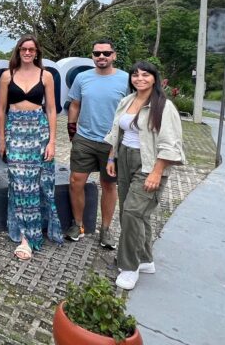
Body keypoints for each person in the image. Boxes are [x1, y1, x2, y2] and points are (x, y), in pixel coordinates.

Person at [104, 61, 186, 290]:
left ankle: (129, 266)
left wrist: (156, 172)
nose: (140, 79)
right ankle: (146, 259)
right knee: (138, 215)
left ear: (154, 78)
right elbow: (115, 131)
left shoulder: (163, 106)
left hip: (148, 163)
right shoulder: (127, 101)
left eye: (145, 75)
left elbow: (171, 144)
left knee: (132, 212)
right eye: (135, 75)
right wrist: (111, 158)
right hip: (124, 158)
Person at [0, 35, 63, 260]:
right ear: (18, 51)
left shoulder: (46, 76)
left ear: (37, 53)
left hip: (39, 132)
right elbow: (0, 109)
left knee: (38, 185)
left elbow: (52, 110)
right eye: (24, 49)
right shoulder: (7, 76)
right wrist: (2, 139)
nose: (27, 52)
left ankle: (30, 238)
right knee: (19, 184)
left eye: (31, 49)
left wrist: (52, 141)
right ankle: (25, 232)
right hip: (15, 131)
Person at [65, 39, 129, 248]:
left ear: (114, 55)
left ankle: (106, 230)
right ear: (92, 56)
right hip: (84, 138)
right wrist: (72, 129)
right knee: (76, 181)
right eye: (97, 53)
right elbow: (75, 105)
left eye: (106, 53)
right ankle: (78, 225)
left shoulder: (126, 79)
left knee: (109, 185)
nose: (101, 57)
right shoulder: (82, 78)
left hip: (112, 142)